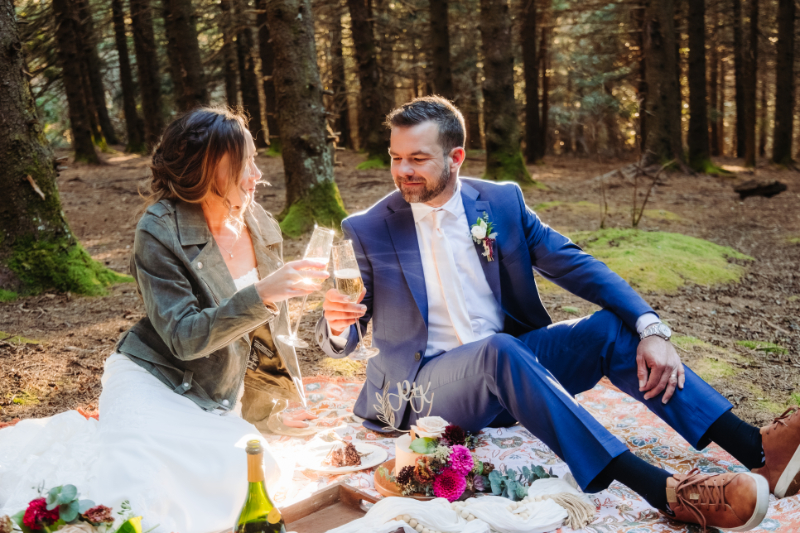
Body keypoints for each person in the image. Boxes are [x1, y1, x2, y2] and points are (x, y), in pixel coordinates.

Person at [317, 96, 800, 531]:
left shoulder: (500, 203)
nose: (403, 170)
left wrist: (650, 326)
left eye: (418, 159)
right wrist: (339, 327)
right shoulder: (370, 228)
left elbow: (577, 265)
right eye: (396, 158)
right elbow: (346, 326)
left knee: (610, 329)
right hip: (423, 390)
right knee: (498, 351)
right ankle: (669, 493)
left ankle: (757, 450)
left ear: (456, 157)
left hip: (512, 372)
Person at [0, 107, 328, 533]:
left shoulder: (260, 223)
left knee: (257, 474)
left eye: (254, 160)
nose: (256, 174)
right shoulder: (158, 230)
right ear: (206, 170)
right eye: (243, 163)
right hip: (152, 379)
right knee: (143, 491)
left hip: (216, 394)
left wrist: (269, 408)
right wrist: (263, 293)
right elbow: (185, 337)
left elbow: (263, 337)